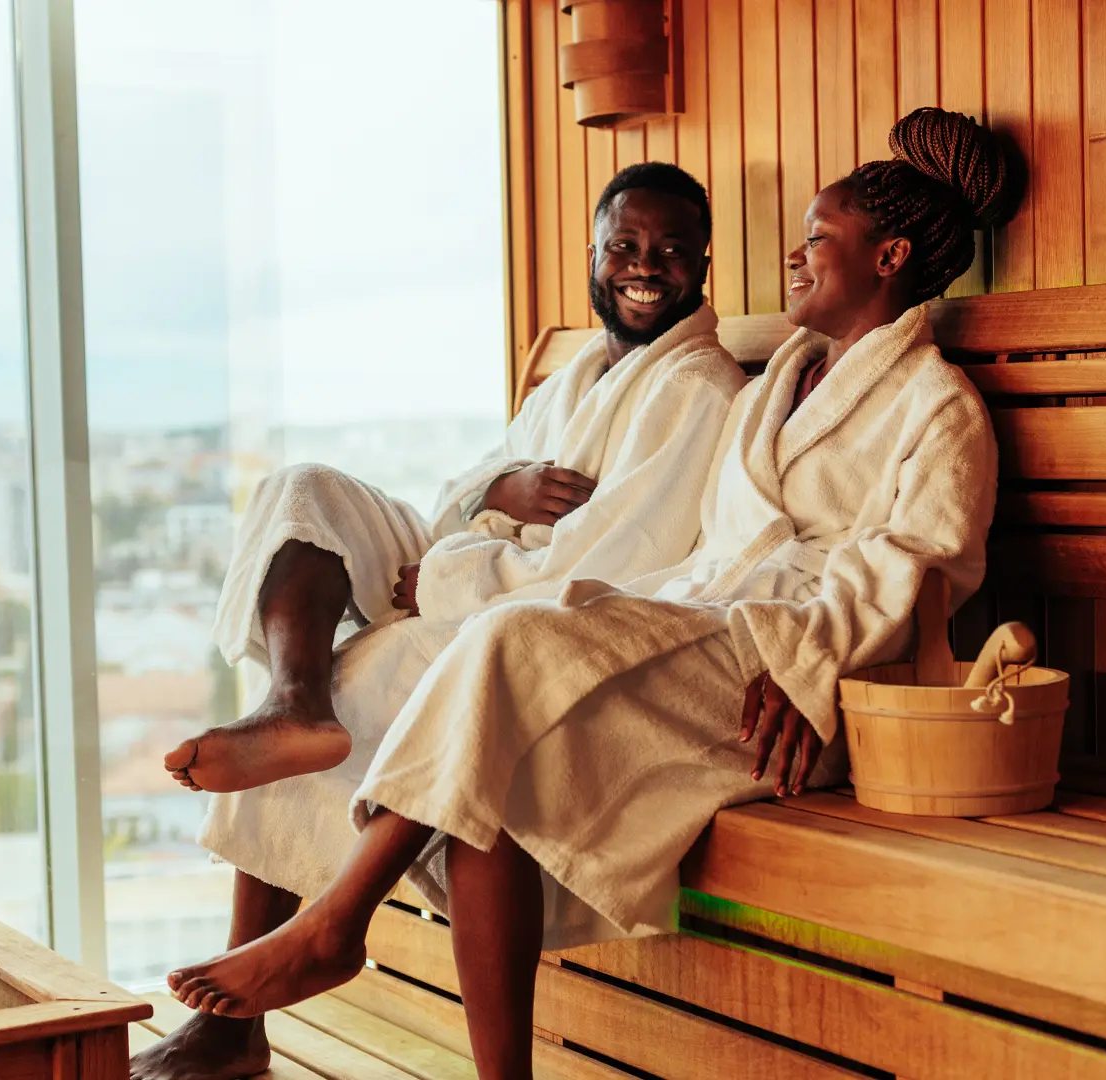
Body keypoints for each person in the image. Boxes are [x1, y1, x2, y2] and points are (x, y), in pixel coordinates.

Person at [159, 107, 1021, 1080]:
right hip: (711, 612)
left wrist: (809, 664)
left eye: (817, 237)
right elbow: (698, 553)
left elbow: (922, 564)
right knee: (482, 695)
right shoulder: (786, 376)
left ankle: (338, 922)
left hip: (795, 674)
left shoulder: (936, 407)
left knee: (508, 650)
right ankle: (299, 747)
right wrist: (547, 563)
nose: (794, 253)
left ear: (889, 255)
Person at [130, 162, 746, 1080]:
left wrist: (450, 578)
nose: (643, 266)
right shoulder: (579, 372)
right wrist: (496, 494)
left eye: (667, 251)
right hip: (473, 574)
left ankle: (240, 1023)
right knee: (305, 494)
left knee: (374, 670)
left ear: (704, 265)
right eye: (624, 245)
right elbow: (463, 487)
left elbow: (611, 564)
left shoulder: (697, 389)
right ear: (594, 253)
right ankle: (292, 705)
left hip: (539, 613)